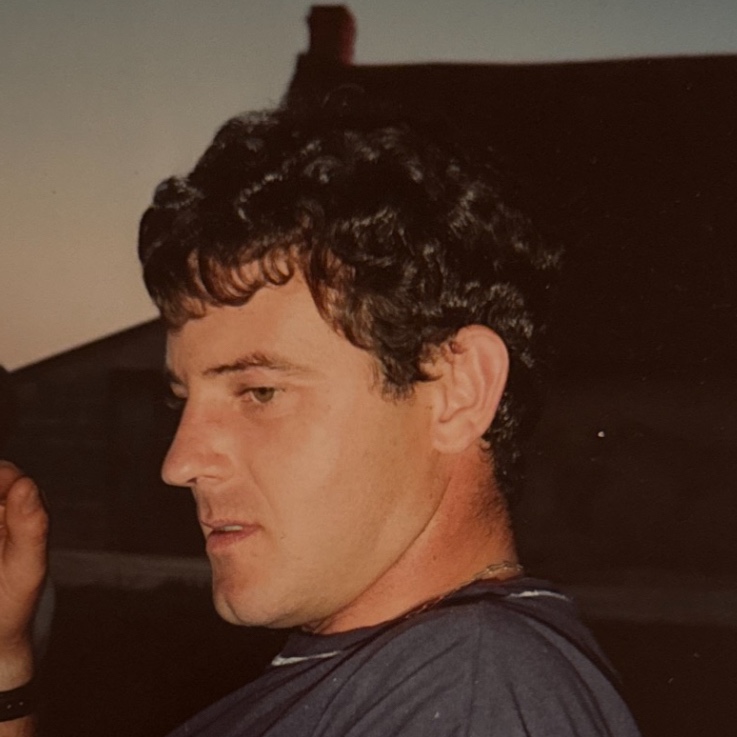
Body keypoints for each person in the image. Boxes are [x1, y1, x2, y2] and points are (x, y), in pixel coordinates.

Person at [0, 94, 640, 735]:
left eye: (259, 392)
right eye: (181, 399)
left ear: (459, 390)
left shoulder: (473, 697)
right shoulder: (398, 679)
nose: (181, 462)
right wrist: (6, 666)